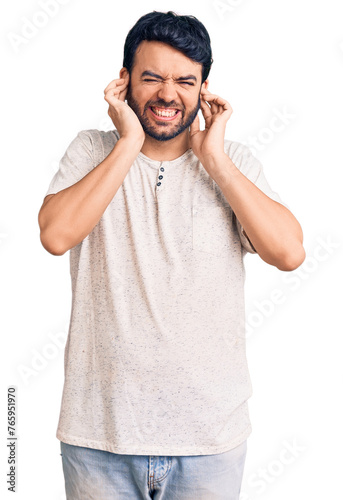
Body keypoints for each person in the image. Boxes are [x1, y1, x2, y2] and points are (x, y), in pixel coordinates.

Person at [38, 10, 305, 500]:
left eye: (185, 81)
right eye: (152, 78)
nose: (167, 94)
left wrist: (215, 160)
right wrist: (128, 144)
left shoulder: (233, 163)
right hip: (99, 439)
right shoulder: (90, 151)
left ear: (204, 90)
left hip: (210, 441)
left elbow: (289, 253)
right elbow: (56, 236)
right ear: (124, 82)